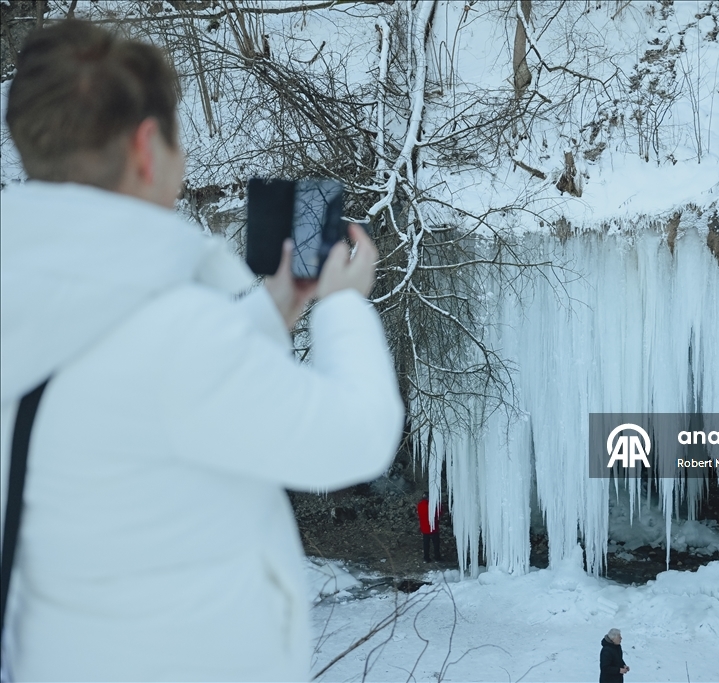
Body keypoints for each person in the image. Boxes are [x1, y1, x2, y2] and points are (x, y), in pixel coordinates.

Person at [0, 20, 404, 682]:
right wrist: (342, 305)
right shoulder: (174, 335)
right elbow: (358, 436)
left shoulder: (37, 302)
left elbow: (142, 398)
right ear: (146, 147)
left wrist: (273, 312)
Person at [417, 492, 442, 562]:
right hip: (433, 528)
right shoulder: (432, 505)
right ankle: (437, 557)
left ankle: (426, 557)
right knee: (436, 543)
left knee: (426, 543)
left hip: (424, 528)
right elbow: (439, 512)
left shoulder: (419, 505)